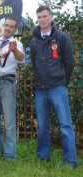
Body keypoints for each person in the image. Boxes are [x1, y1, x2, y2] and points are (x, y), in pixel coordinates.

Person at [29, 5, 79, 168]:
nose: (42, 20)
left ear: (51, 17)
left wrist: (63, 82)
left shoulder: (62, 38)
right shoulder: (34, 41)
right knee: (43, 126)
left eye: (44, 16)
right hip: (40, 90)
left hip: (58, 88)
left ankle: (70, 161)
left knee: (65, 124)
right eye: (39, 17)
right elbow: (34, 64)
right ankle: (43, 157)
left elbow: (69, 63)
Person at [0, 17, 25, 160]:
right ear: (2, 26)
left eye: (11, 26)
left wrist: (15, 50)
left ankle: (10, 156)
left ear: (15, 30)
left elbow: (22, 58)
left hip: (7, 83)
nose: (8, 28)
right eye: (6, 25)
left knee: (9, 122)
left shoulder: (17, 44)